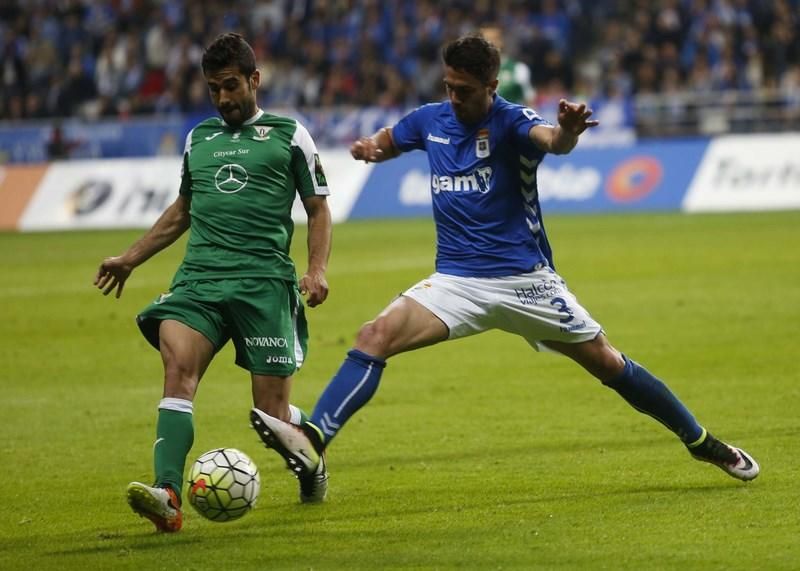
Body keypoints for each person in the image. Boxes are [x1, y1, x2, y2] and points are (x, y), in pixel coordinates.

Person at [249, 34, 759, 502]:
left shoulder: (512, 121)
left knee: (607, 362)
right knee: (373, 335)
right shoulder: (432, 118)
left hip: (525, 281)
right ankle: (315, 438)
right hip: (456, 282)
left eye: (465, 90)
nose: (454, 98)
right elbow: (392, 138)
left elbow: (550, 141)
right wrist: (370, 150)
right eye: (448, 87)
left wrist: (568, 133)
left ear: (491, 86)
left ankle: (701, 441)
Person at [94, 33, 332, 532]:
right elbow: (182, 211)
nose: (223, 98)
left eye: (230, 86)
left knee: (268, 414)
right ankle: (168, 496)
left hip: (263, 284)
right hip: (199, 281)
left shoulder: (290, 135)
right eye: (212, 89)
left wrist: (316, 270)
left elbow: (318, 208)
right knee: (177, 369)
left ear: (254, 80)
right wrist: (130, 259)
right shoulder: (198, 138)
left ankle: (308, 449)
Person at [480, 24, 535, 105]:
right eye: (485, 40)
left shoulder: (518, 69)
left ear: (501, 41)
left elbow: (529, 101)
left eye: (494, 39)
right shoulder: (473, 71)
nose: (489, 43)